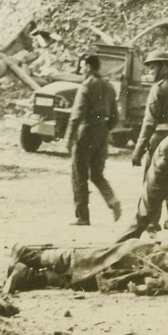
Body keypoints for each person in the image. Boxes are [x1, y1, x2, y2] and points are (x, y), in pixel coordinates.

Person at [4, 211, 168, 295]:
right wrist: (153, 285)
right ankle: (29, 257)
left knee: (88, 273)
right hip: (140, 259)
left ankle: (28, 274)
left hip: (141, 256)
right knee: (86, 264)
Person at [131, 48, 168, 233]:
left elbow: (149, 123)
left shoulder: (158, 88)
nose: (150, 72)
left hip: (159, 142)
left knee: (152, 185)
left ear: (163, 67)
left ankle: (150, 224)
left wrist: (138, 150)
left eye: (153, 68)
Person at [65, 52, 122, 226]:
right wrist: (105, 129)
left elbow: (77, 113)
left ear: (89, 67)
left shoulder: (86, 86)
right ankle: (112, 200)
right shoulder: (109, 87)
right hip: (102, 133)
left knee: (79, 174)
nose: (81, 70)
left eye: (82, 66)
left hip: (86, 131)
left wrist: (69, 136)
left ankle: (83, 216)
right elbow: (115, 116)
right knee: (97, 174)